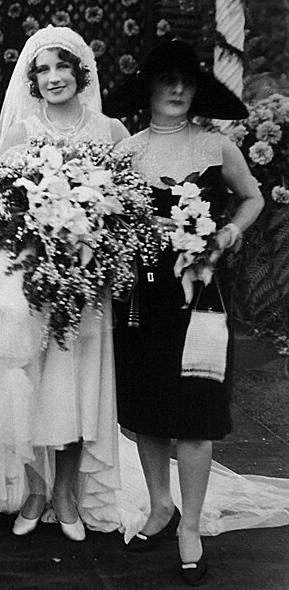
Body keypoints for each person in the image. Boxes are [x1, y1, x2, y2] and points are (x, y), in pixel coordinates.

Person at [0, 25, 134, 539]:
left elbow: (130, 210)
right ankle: (35, 492)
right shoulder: (23, 131)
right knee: (35, 387)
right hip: (33, 284)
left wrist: (97, 239)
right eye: (41, 70)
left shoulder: (111, 131)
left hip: (85, 285)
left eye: (61, 66)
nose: (52, 78)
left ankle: (66, 496)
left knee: (78, 389)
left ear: (81, 71)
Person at [104, 40, 264, 585]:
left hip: (202, 298)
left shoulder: (218, 148)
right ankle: (159, 508)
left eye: (187, 82)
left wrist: (229, 233)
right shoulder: (127, 153)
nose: (177, 90)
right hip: (141, 302)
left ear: (197, 91)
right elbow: (109, 221)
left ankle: (190, 523)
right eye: (167, 80)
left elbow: (253, 198)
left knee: (196, 412)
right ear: (149, 87)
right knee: (147, 408)